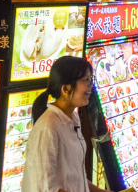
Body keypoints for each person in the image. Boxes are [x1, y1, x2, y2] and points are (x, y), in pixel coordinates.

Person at [24, 56, 123, 192]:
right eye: (86, 80)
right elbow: (47, 188)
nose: (91, 86)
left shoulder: (73, 118)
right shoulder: (47, 128)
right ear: (66, 89)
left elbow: (77, 178)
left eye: (91, 79)